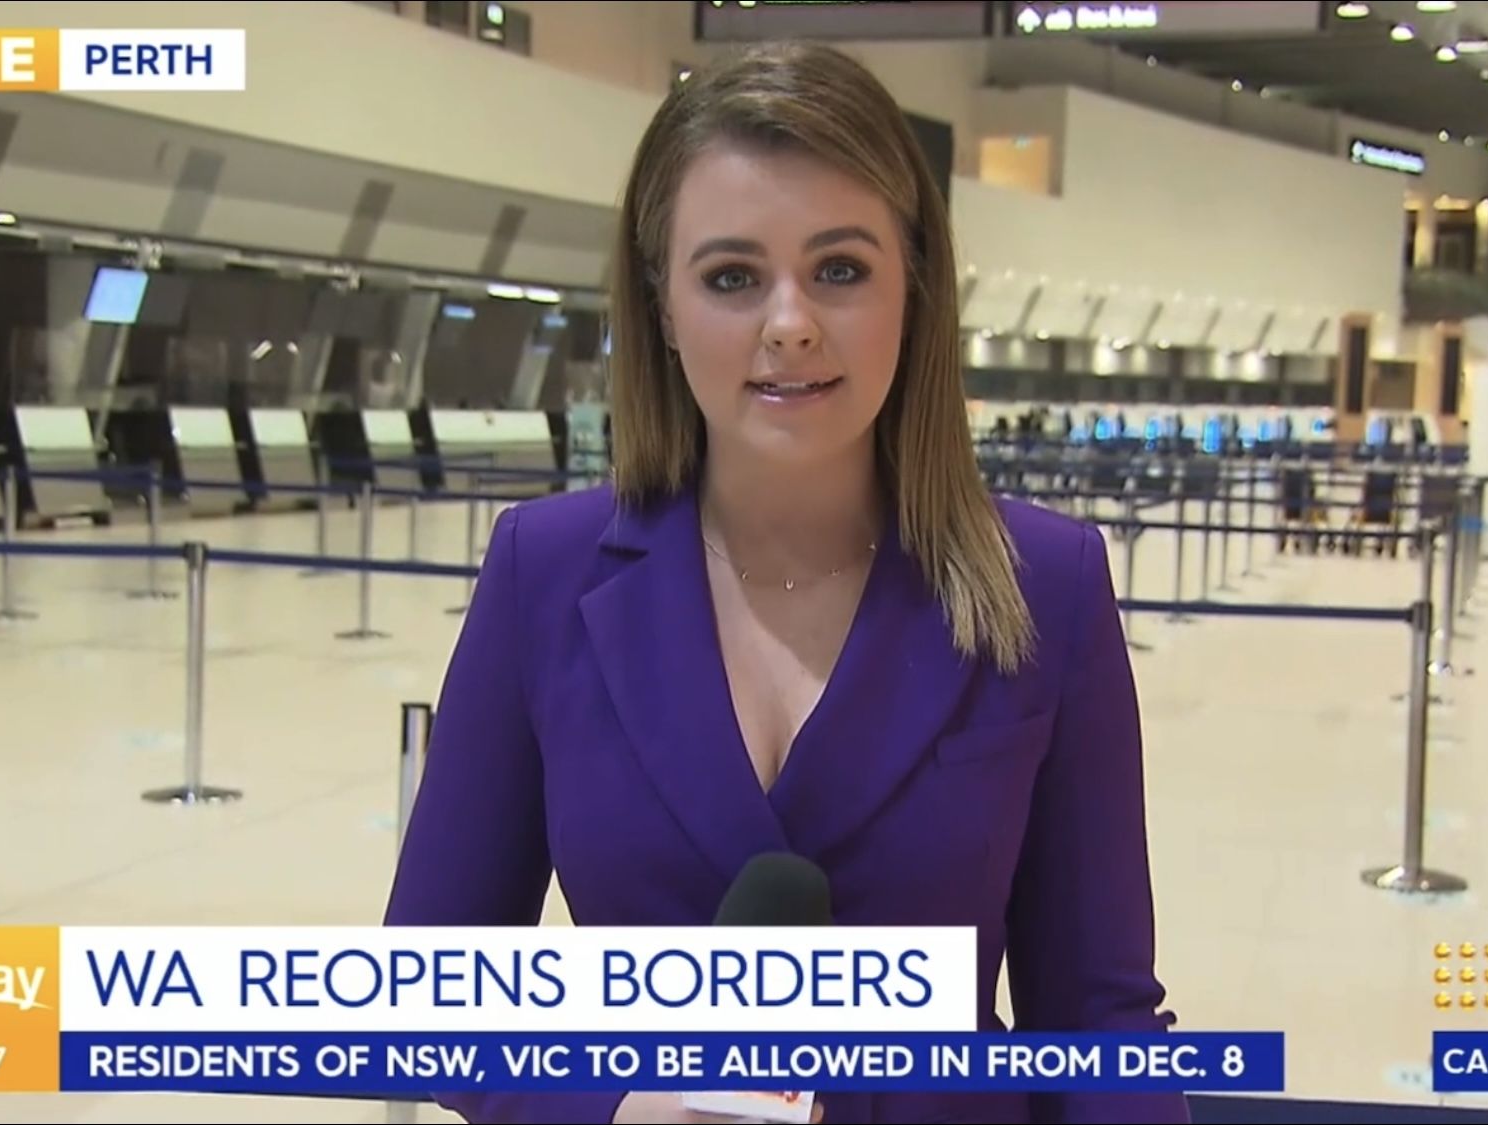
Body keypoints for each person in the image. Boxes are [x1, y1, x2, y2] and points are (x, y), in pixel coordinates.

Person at [383, 40, 1187, 1125]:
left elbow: (1098, 1020)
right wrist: (608, 1106)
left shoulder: (1045, 585)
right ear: (663, 308)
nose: (790, 322)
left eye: (840, 270)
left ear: (914, 289)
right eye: (731, 277)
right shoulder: (545, 571)